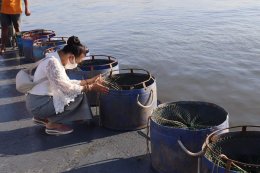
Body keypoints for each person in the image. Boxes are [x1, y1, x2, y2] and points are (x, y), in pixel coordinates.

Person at [25, 36, 109, 135]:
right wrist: (91, 87)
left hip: (37, 101)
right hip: (39, 105)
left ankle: (42, 118)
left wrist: (90, 80)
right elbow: (68, 89)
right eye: (78, 62)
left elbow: (67, 83)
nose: (77, 65)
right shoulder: (53, 63)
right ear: (71, 57)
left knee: (76, 90)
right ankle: (51, 124)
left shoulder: (54, 58)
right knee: (78, 95)